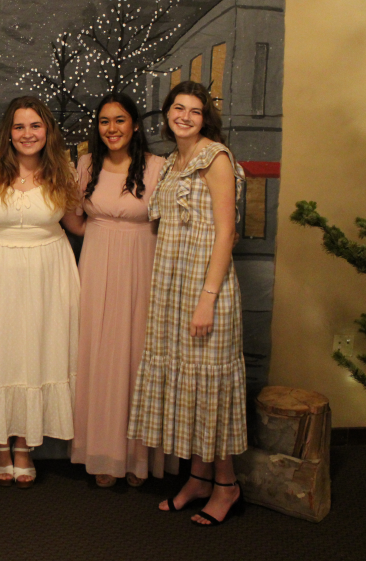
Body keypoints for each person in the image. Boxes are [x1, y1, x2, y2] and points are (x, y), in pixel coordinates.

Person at [127, 80, 247, 526]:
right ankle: (197, 479)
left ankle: (227, 486)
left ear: (205, 118)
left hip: (204, 289)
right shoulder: (175, 163)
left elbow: (227, 233)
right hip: (171, 290)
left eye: (194, 111)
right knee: (191, 391)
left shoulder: (215, 158)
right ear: (167, 113)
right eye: (178, 108)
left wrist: (207, 300)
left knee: (210, 391)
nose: (185, 116)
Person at [68, 93, 179, 488]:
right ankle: (103, 452)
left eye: (119, 120)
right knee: (99, 356)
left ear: (134, 125)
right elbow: (76, 221)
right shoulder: (84, 166)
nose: (111, 129)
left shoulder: (159, 168)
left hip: (141, 267)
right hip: (96, 266)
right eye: (104, 121)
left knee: (136, 357)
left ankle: (136, 457)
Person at [0, 96, 80, 489]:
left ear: (47, 130)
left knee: (36, 353)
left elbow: (78, 224)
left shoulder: (62, 172)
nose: (27, 134)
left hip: (49, 273)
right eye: (19, 126)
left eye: (35, 125)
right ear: (8, 132)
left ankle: (24, 445)